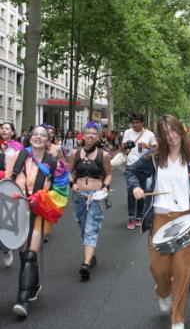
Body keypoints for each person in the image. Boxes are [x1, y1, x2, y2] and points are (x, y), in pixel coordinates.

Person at [126, 115, 190, 329]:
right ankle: (163, 292)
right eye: (165, 132)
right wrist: (136, 187)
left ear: (180, 131)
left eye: (173, 130)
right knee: (159, 269)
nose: (171, 136)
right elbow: (131, 171)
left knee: (183, 271)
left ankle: (178, 319)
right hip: (160, 218)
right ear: (161, 136)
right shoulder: (154, 157)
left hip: (187, 219)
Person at [5, 124, 70, 317]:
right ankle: (33, 285)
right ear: (30, 137)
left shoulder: (56, 163)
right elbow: (7, 181)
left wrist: (42, 199)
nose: (39, 137)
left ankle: (22, 300)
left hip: (39, 213)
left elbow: (61, 193)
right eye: (35, 134)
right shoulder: (17, 156)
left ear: (48, 139)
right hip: (16, 211)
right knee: (23, 254)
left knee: (31, 255)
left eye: (43, 135)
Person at [68, 122, 112, 280]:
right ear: (83, 135)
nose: (91, 135)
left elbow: (108, 174)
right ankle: (91, 255)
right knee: (82, 226)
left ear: (98, 136)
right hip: (79, 196)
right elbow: (69, 172)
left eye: (94, 133)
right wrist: (72, 184)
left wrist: (105, 187)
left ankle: (85, 264)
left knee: (91, 228)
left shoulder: (104, 155)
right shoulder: (75, 153)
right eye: (88, 133)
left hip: (95, 196)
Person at [122, 112, 157, 230]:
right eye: (133, 123)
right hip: (130, 166)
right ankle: (131, 217)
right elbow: (122, 147)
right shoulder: (128, 132)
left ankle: (139, 217)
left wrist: (147, 147)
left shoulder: (149, 134)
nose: (135, 125)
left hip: (143, 168)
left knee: (141, 193)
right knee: (131, 192)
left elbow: (155, 149)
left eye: (137, 122)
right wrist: (127, 145)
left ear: (142, 123)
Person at [1, 122, 24, 267]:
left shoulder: (18, 148)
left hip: (9, 185)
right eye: (2, 128)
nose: (3, 130)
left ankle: (6, 248)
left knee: (4, 220)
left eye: (7, 128)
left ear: (13, 132)